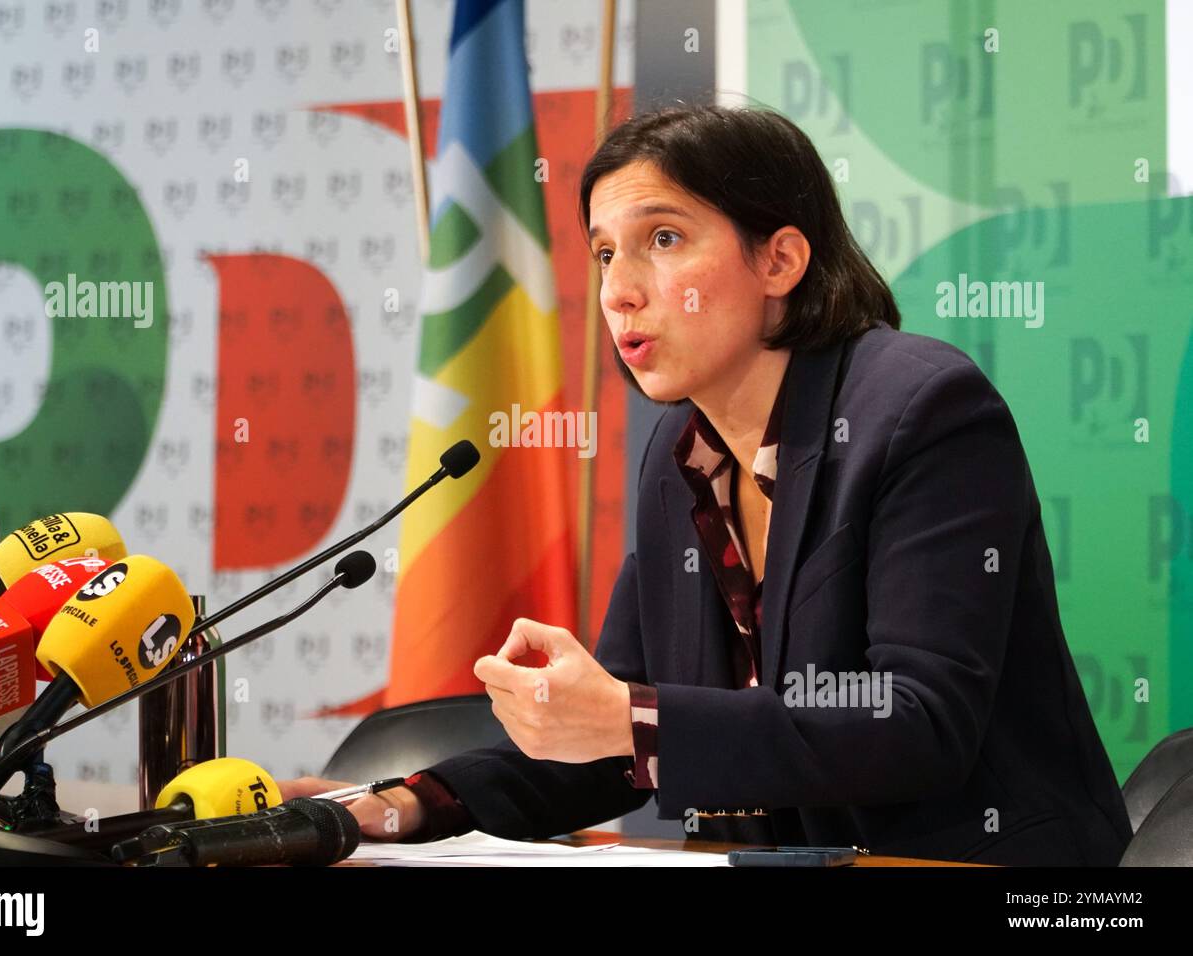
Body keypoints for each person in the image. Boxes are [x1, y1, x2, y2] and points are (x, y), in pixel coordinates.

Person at [279, 104, 1133, 865]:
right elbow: (618, 744)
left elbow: (919, 722)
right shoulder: (678, 460)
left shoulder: (922, 409)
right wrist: (393, 806)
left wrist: (631, 719)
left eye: (663, 239)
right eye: (605, 252)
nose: (617, 292)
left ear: (781, 259)